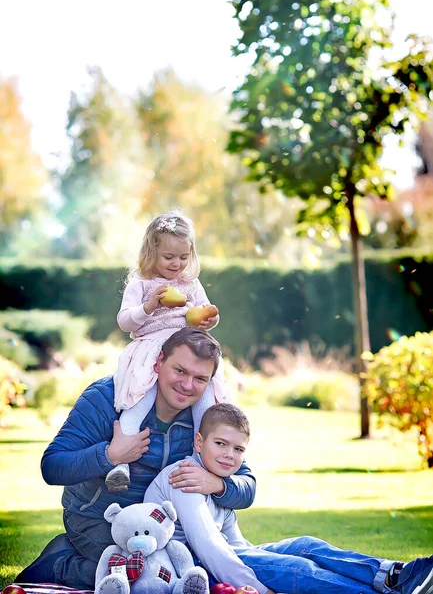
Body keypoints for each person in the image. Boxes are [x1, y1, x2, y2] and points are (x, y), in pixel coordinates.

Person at [15, 329, 256, 590]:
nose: (188, 385)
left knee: (194, 572)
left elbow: (247, 486)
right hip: (101, 518)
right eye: (180, 371)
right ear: (159, 361)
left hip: (164, 525)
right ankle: (58, 564)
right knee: (148, 575)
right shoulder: (108, 397)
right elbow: (52, 466)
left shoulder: (205, 417)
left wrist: (217, 484)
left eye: (200, 378)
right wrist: (110, 455)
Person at [145, 403, 433, 594]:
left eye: (238, 449)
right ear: (199, 442)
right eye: (220, 443)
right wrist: (259, 589)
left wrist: (266, 558)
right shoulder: (184, 477)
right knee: (299, 569)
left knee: (305, 546)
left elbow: (236, 544)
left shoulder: (217, 481)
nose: (229, 455)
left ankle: (394, 574)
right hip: (191, 568)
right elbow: (209, 548)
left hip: (223, 555)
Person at [107, 210, 230, 492]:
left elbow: (204, 312)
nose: (177, 264)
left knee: (206, 401)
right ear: (152, 252)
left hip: (188, 351)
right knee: (139, 398)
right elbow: (124, 320)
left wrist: (210, 318)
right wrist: (150, 305)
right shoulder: (141, 282)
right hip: (152, 350)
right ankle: (120, 464)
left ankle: (202, 462)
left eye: (183, 257)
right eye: (169, 257)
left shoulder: (190, 283)